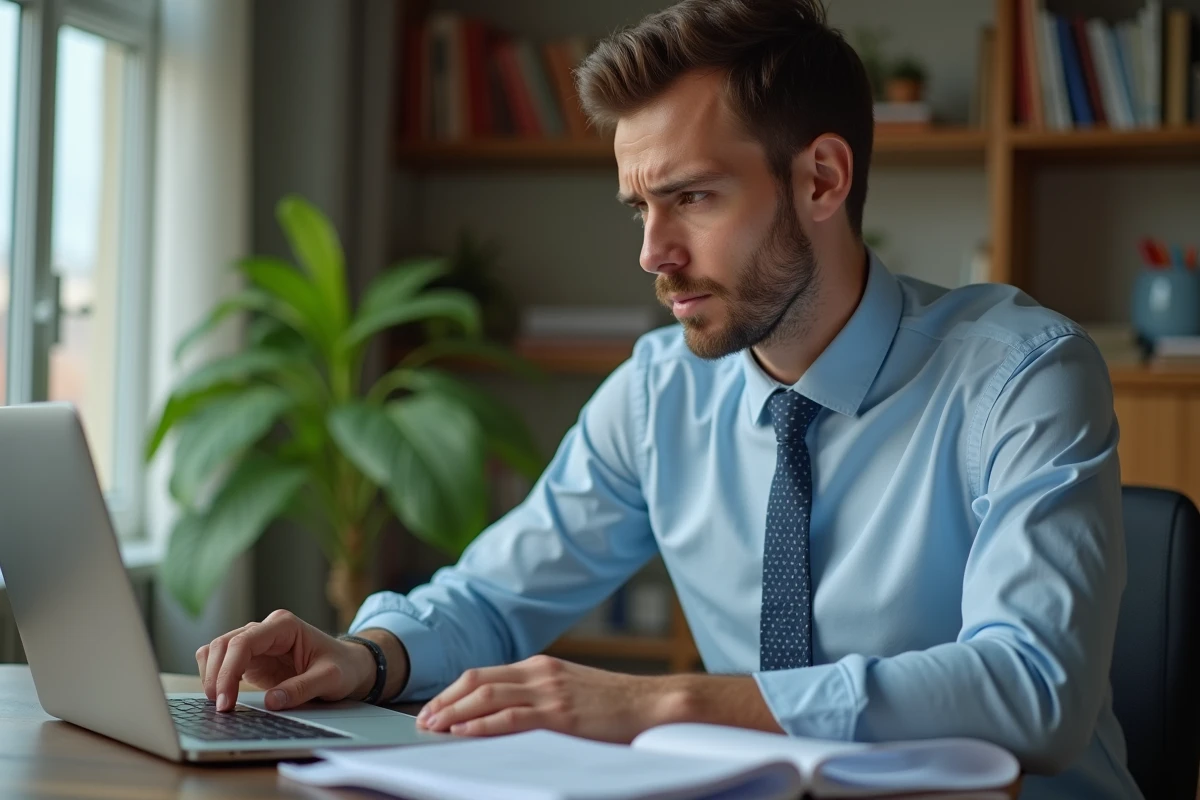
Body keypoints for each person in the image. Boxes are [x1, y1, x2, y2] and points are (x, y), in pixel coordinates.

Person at [196, 1, 1141, 796]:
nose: (653, 254)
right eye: (639, 208)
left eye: (691, 198)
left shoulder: (1023, 376)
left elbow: (1033, 687)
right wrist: (368, 656)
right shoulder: (659, 392)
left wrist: (668, 702)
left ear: (822, 178)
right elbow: (492, 597)